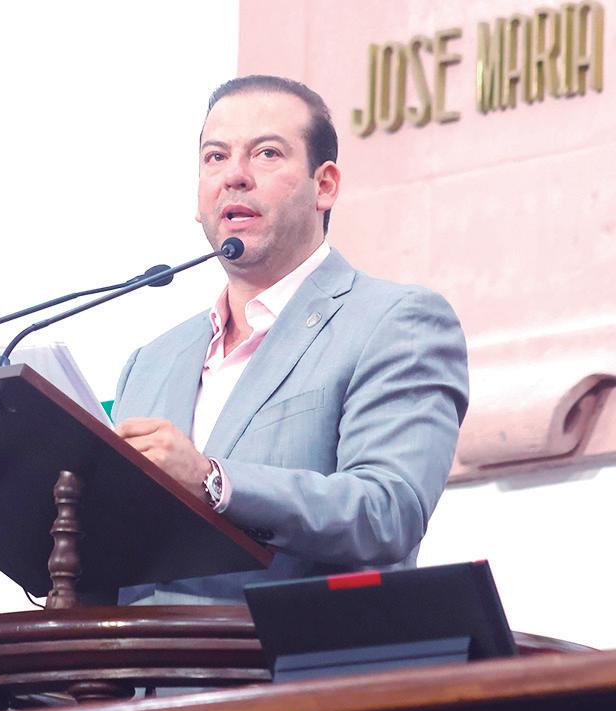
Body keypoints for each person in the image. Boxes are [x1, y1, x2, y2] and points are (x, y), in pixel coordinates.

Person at [112, 75, 469, 605]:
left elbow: (388, 511)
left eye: (266, 154)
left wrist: (214, 481)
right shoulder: (151, 363)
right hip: (134, 657)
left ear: (324, 185)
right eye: (215, 157)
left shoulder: (395, 322)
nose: (234, 175)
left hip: (291, 653)